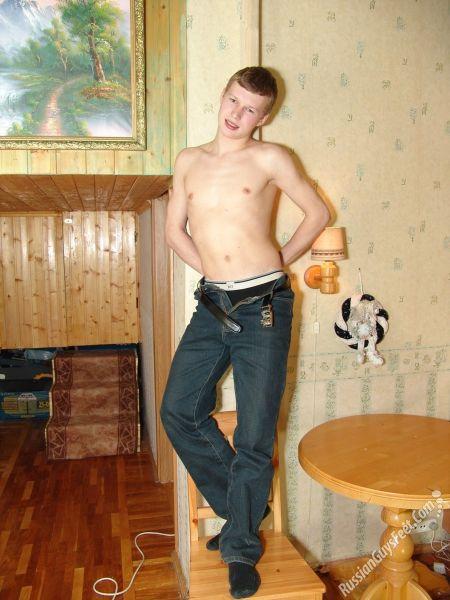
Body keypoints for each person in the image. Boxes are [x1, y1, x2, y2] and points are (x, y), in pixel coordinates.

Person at [160, 66, 330, 599]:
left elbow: (318, 212)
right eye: (234, 100)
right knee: (178, 410)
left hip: (265, 308)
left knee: (255, 432)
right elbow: (174, 231)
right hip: (213, 304)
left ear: (264, 117)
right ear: (223, 95)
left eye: (251, 109)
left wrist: (280, 260)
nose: (237, 114)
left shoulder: (271, 158)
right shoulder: (188, 161)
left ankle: (238, 545)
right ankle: (242, 515)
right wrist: (211, 271)